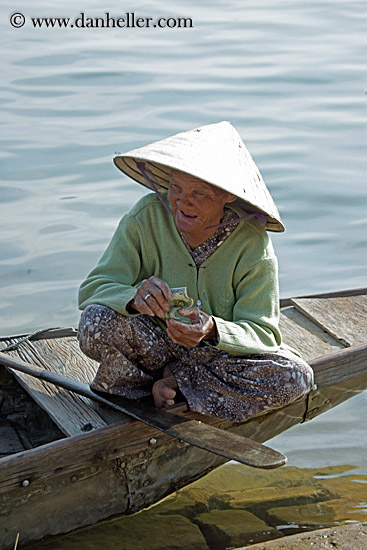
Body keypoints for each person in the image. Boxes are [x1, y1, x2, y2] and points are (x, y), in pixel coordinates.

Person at [77, 121, 314, 422]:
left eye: (199, 194)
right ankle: (142, 389)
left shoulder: (251, 243)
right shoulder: (146, 216)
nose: (183, 202)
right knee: (94, 321)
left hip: (218, 359)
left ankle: (178, 384)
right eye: (176, 188)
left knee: (297, 378)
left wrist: (213, 328)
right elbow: (94, 288)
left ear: (227, 196)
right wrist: (134, 298)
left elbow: (264, 333)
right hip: (156, 346)